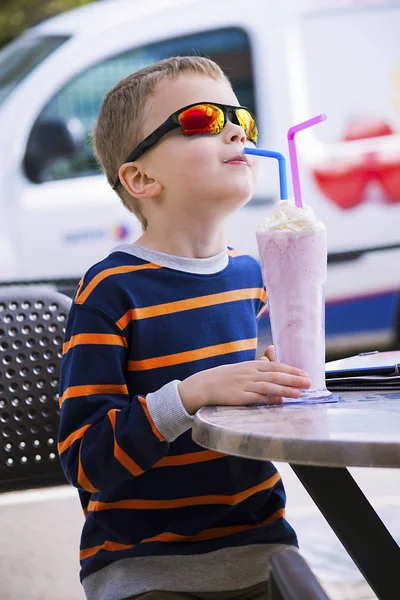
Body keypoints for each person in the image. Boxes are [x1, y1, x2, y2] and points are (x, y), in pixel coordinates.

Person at [58, 56, 311, 600]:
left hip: (262, 548)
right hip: (147, 567)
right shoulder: (110, 290)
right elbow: (85, 457)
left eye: (242, 120)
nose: (235, 130)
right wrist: (191, 395)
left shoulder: (253, 277)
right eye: (201, 119)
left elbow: (251, 405)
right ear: (142, 177)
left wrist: (273, 384)